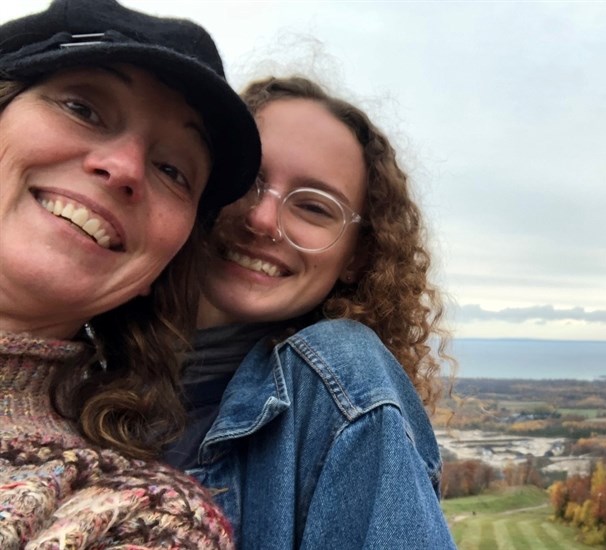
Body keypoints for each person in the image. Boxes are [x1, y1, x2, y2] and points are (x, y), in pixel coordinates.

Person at [0, 0, 260, 547]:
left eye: (173, 170)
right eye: (83, 108)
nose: (124, 168)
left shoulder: (144, 517)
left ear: (158, 272)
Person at [165, 76, 457, 548]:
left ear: (358, 256)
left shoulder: (341, 383)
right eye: (247, 180)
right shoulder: (76, 361)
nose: (262, 219)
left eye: (315, 208)